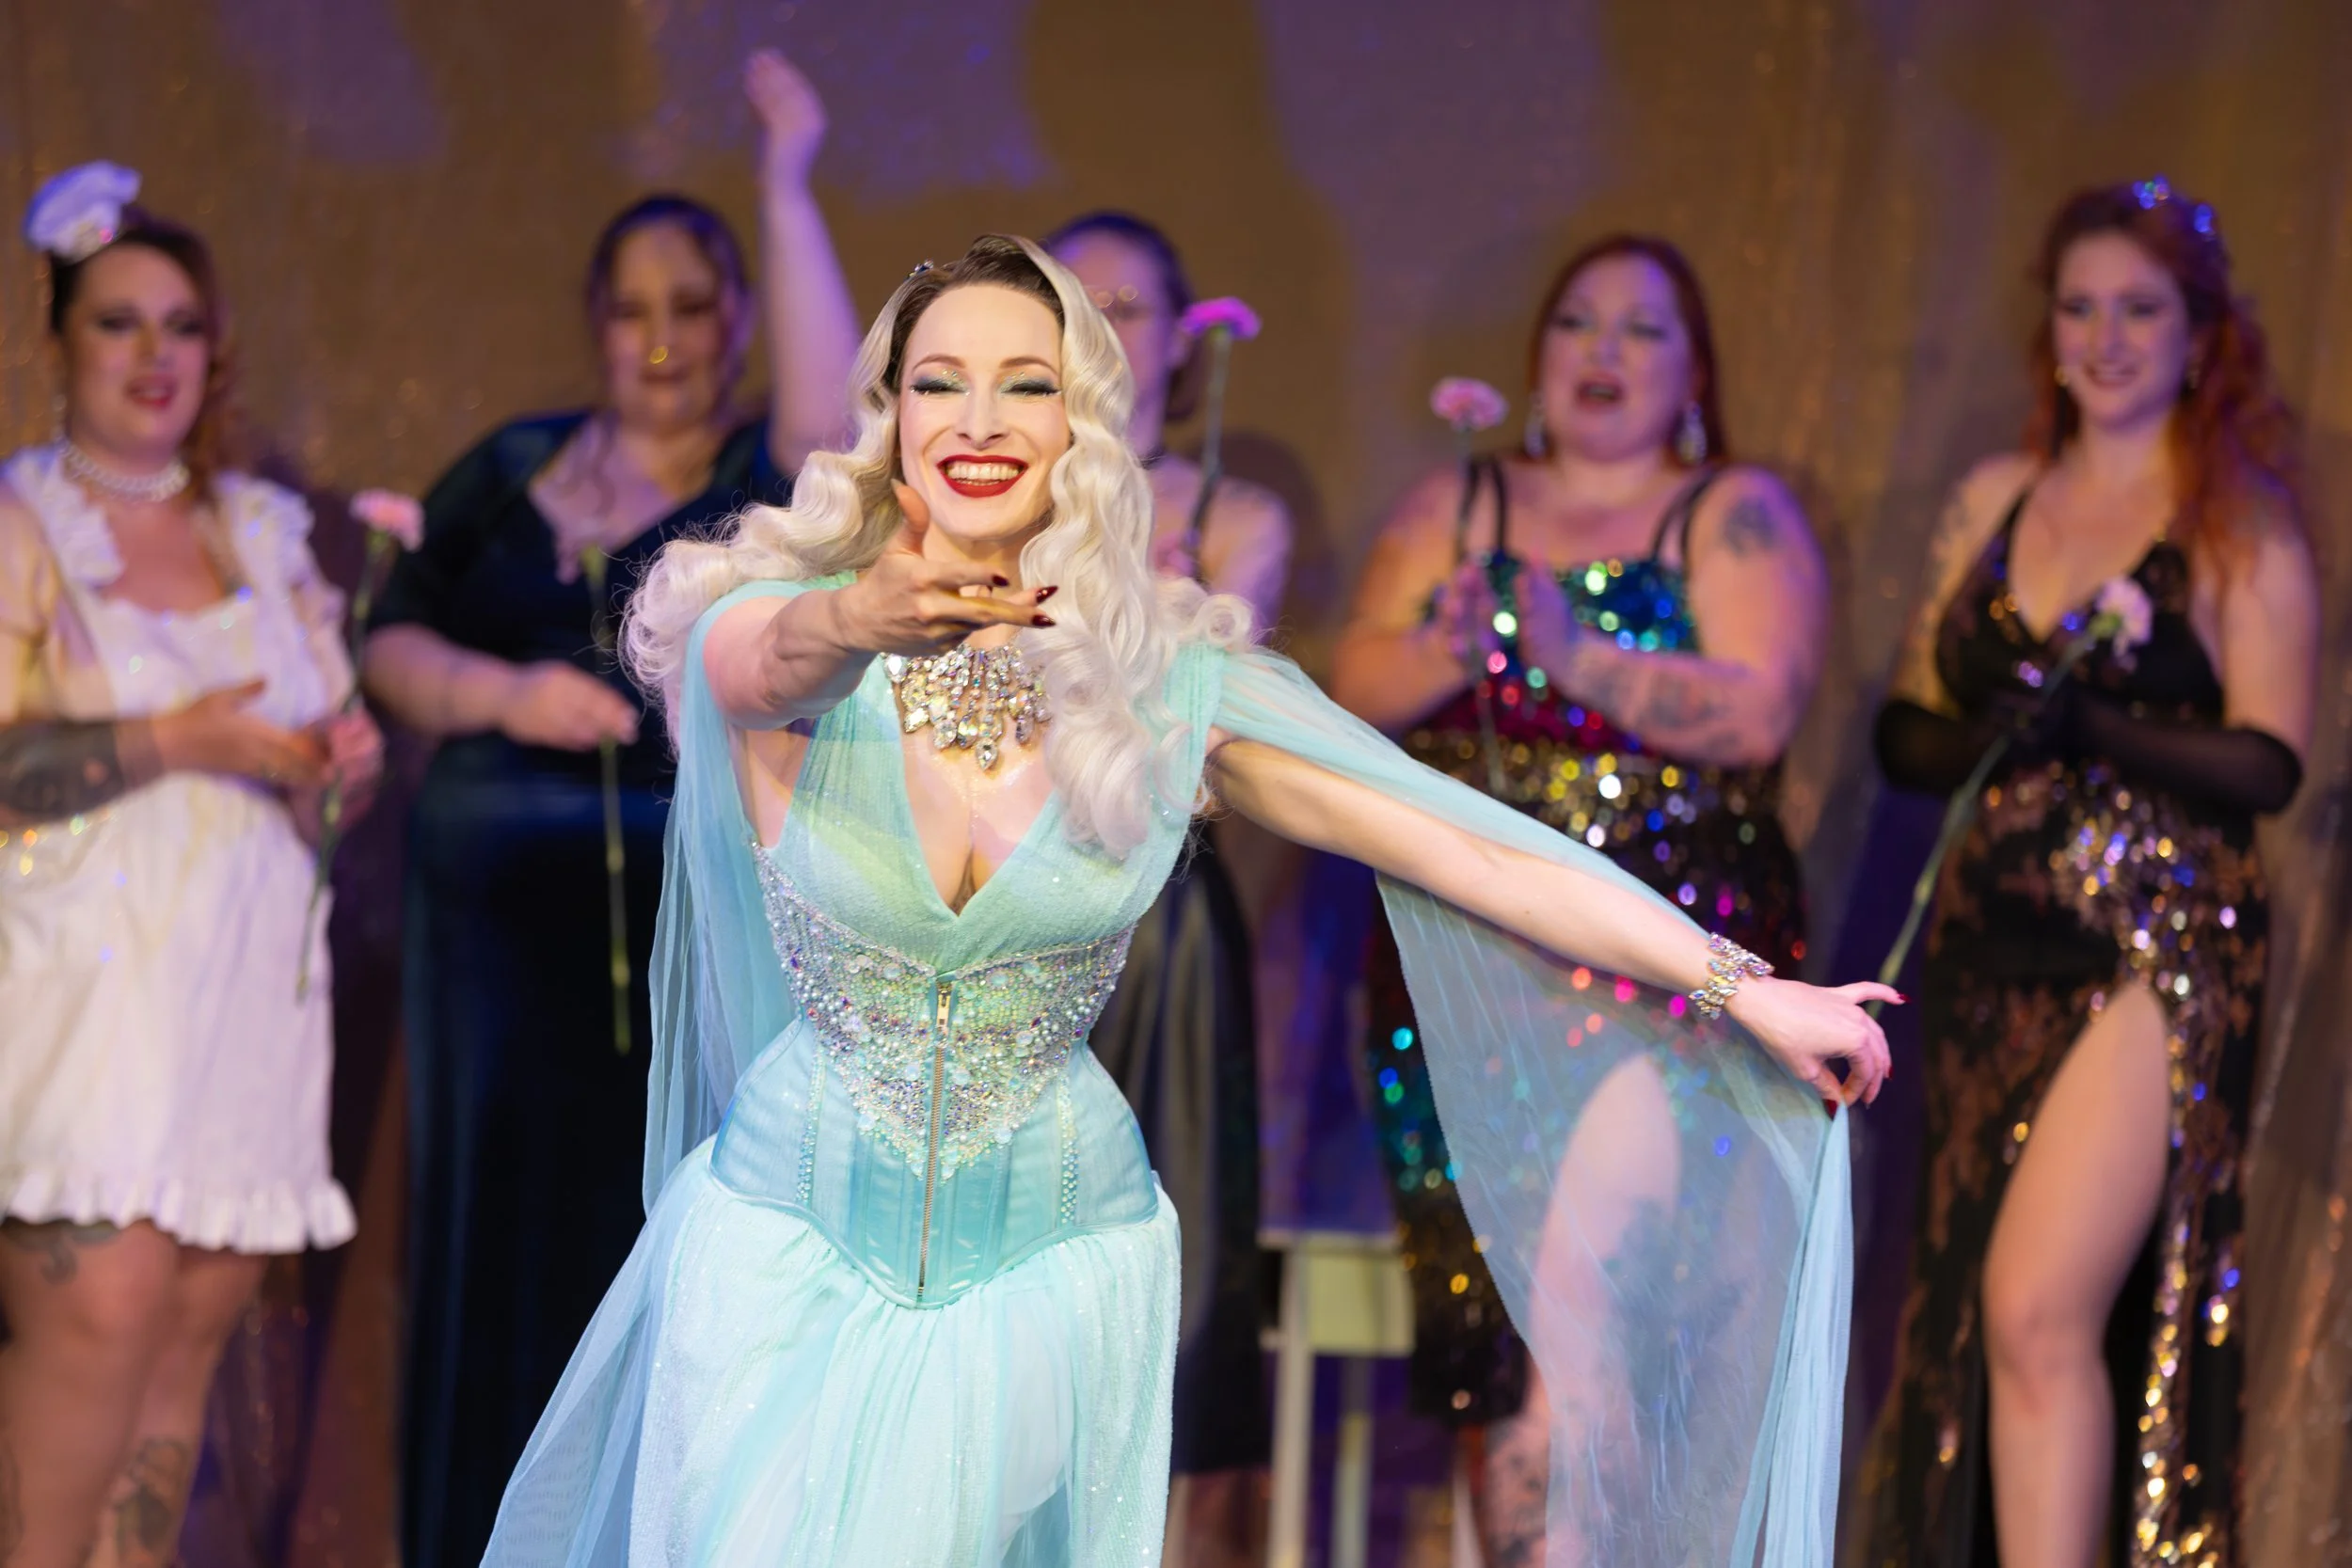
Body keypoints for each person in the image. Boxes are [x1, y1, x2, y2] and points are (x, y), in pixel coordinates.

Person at [475, 233, 1891, 1568]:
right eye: (940, 382)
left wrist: (1741, 985)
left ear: (1081, 425)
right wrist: (861, 615)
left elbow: (1474, 849)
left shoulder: (1164, 687)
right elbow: (767, 663)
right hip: (789, 1257)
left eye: (1025, 384)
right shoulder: (765, 616)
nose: (979, 418)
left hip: (1050, 1270)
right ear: (891, 415)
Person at [358, 51, 857, 1568]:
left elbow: (841, 430)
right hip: (496, 981)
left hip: (676, 979)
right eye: (631, 308)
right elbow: (389, 637)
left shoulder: (760, 490)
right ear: (595, 326)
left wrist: (785, 181)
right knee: (495, 1268)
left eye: (692, 306)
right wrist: (503, 699)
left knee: (650, 1261)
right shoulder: (510, 471)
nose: (658, 340)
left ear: (738, 326)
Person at [1329, 233, 1828, 1562]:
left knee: (1604, 1315)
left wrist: (1575, 653)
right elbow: (1345, 693)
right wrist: (1444, 638)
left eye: (1643, 330)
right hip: (1468, 971)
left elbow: (1762, 705)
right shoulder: (1460, 506)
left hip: (1662, 979)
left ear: (1696, 371)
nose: (1605, 352)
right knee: (1495, 1328)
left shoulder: (1726, 511)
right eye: (1580, 324)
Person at [1858, 179, 2315, 1568]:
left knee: (2036, 1301)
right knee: (1976, 1317)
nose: (2107, 337)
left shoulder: (2240, 523)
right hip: (1995, 949)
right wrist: (1990, 734)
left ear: (2198, 332)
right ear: (2045, 326)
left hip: (2152, 948)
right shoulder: (1994, 498)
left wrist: (2101, 730)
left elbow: (2271, 760)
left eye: (2141, 308)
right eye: (2080, 306)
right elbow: (1907, 719)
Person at [0, 166, 383, 1568]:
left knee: (183, 1350)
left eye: (180, 326)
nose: (154, 356)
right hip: (88, 1007)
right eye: (117, 324)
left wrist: (339, 767)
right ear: (59, 341)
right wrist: (185, 734)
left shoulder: (265, 537)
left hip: (241, 1001)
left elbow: (325, 757)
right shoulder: (26, 528)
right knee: (99, 1326)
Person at [1045, 212, 1291, 1532]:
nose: (1094, 323)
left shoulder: (1230, 516)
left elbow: (1215, 717)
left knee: (1169, 1290)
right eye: (1065, 296)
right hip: (1003, 921)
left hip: (1159, 931)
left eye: (1126, 306)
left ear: (1178, 348)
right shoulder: (971, 498)